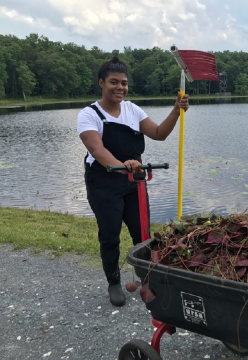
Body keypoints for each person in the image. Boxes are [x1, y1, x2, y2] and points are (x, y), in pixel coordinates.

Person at [77, 56, 189, 306]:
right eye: (114, 82)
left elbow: (159, 134)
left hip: (134, 182)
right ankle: (114, 282)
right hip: (103, 183)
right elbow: (97, 150)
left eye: (124, 83)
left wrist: (176, 110)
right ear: (101, 83)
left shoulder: (132, 110)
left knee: (143, 234)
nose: (120, 88)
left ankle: (147, 279)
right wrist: (122, 165)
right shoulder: (89, 114)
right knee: (110, 235)